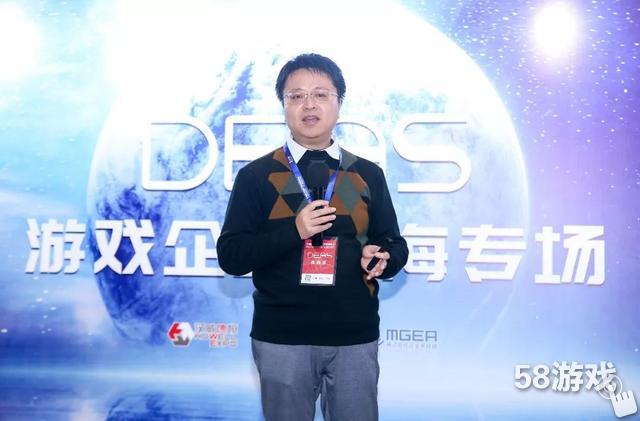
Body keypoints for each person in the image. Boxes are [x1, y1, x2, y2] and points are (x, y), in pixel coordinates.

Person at [217, 53, 408, 421]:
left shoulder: (366, 174)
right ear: (283, 106)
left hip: (354, 335)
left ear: (339, 103)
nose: (309, 105)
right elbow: (232, 255)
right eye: (296, 96)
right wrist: (295, 231)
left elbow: (394, 244)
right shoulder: (257, 176)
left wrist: (383, 258)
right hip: (282, 337)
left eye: (321, 94)